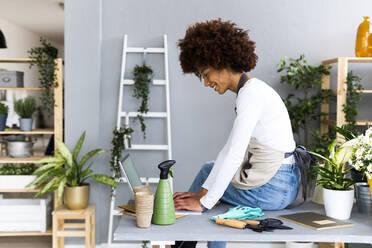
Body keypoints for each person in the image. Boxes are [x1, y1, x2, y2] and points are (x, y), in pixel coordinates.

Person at [172, 19, 308, 248]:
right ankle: (188, 237)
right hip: (280, 182)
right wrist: (204, 196)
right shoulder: (252, 90)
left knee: (213, 197)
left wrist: (204, 202)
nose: (206, 83)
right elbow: (228, 150)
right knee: (209, 172)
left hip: (276, 189)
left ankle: (182, 243)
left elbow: (235, 154)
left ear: (222, 62)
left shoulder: (250, 95)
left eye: (206, 74)